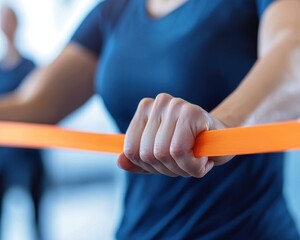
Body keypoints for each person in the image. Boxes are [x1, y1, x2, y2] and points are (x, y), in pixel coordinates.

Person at [0, 0, 299, 239]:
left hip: (244, 231)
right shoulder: (113, 11)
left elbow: (292, 52)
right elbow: (34, 101)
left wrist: (221, 123)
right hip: (138, 231)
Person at [0, 5, 44, 239]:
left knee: (36, 220)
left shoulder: (30, 67)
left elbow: (40, 108)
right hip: (2, 157)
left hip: (29, 157)